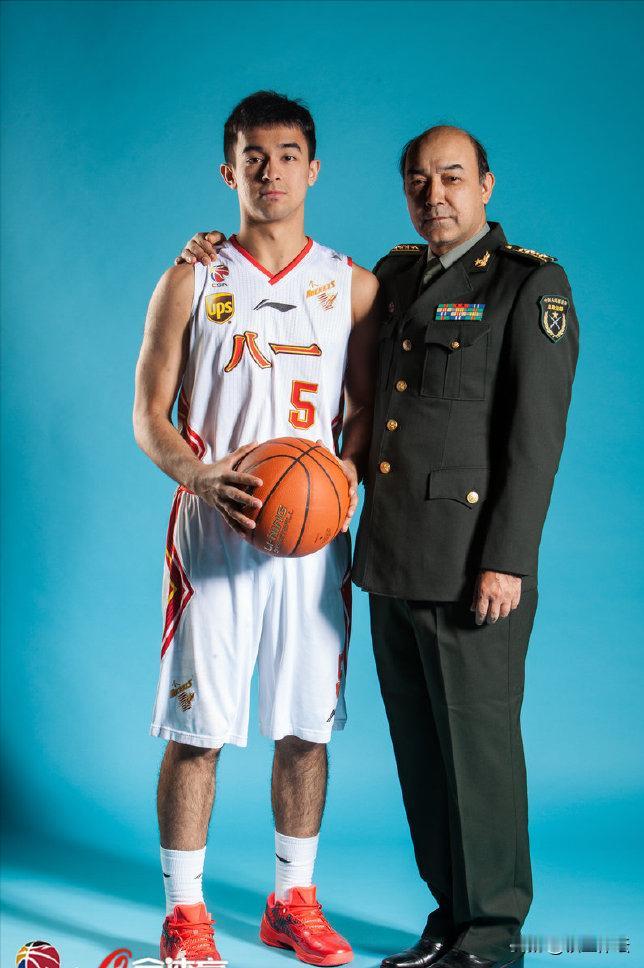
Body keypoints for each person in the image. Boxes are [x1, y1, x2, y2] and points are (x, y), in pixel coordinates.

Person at [174, 125, 579, 968]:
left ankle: (492, 932)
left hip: (473, 564)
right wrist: (210, 248)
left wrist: (508, 560)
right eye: (419, 181)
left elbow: (534, 442)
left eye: (453, 178)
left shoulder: (526, 285)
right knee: (423, 756)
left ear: (487, 185)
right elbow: (300, 290)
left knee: (478, 754)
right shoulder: (392, 277)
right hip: (391, 559)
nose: (436, 195)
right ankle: (450, 917)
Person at [133, 90, 379, 967]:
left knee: (306, 728)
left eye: (287, 156)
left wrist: (344, 478)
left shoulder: (353, 286)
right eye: (253, 157)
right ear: (228, 171)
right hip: (213, 536)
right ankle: (185, 913)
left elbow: (366, 413)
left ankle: (291, 901)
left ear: (313, 170)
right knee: (196, 733)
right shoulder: (191, 278)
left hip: (312, 548)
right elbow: (148, 416)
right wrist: (198, 474)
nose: (270, 171)